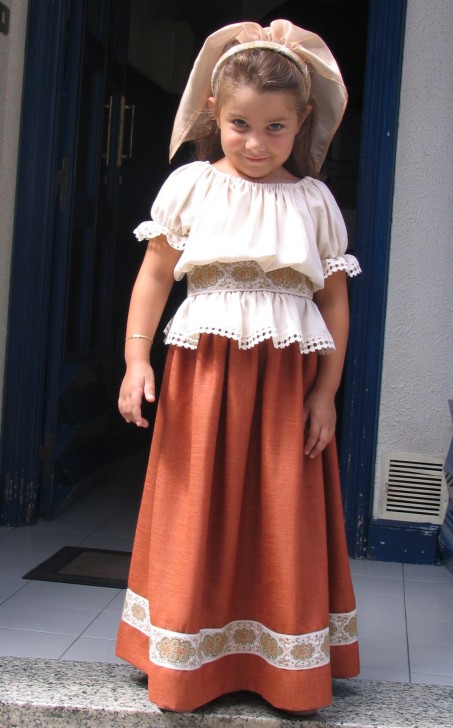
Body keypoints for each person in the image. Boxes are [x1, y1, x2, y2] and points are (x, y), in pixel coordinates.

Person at [116, 19, 361, 715]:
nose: (255, 144)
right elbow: (154, 277)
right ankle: (184, 657)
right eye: (239, 124)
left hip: (285, 387)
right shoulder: (192, 187)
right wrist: (137, 359)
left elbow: (334, 306)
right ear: (213, 116)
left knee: (282, 514)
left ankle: (284, 667)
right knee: (196, 509)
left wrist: (325, 392)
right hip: (203, 378)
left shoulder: (312, 202)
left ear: (303, 121)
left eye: (276, 128)